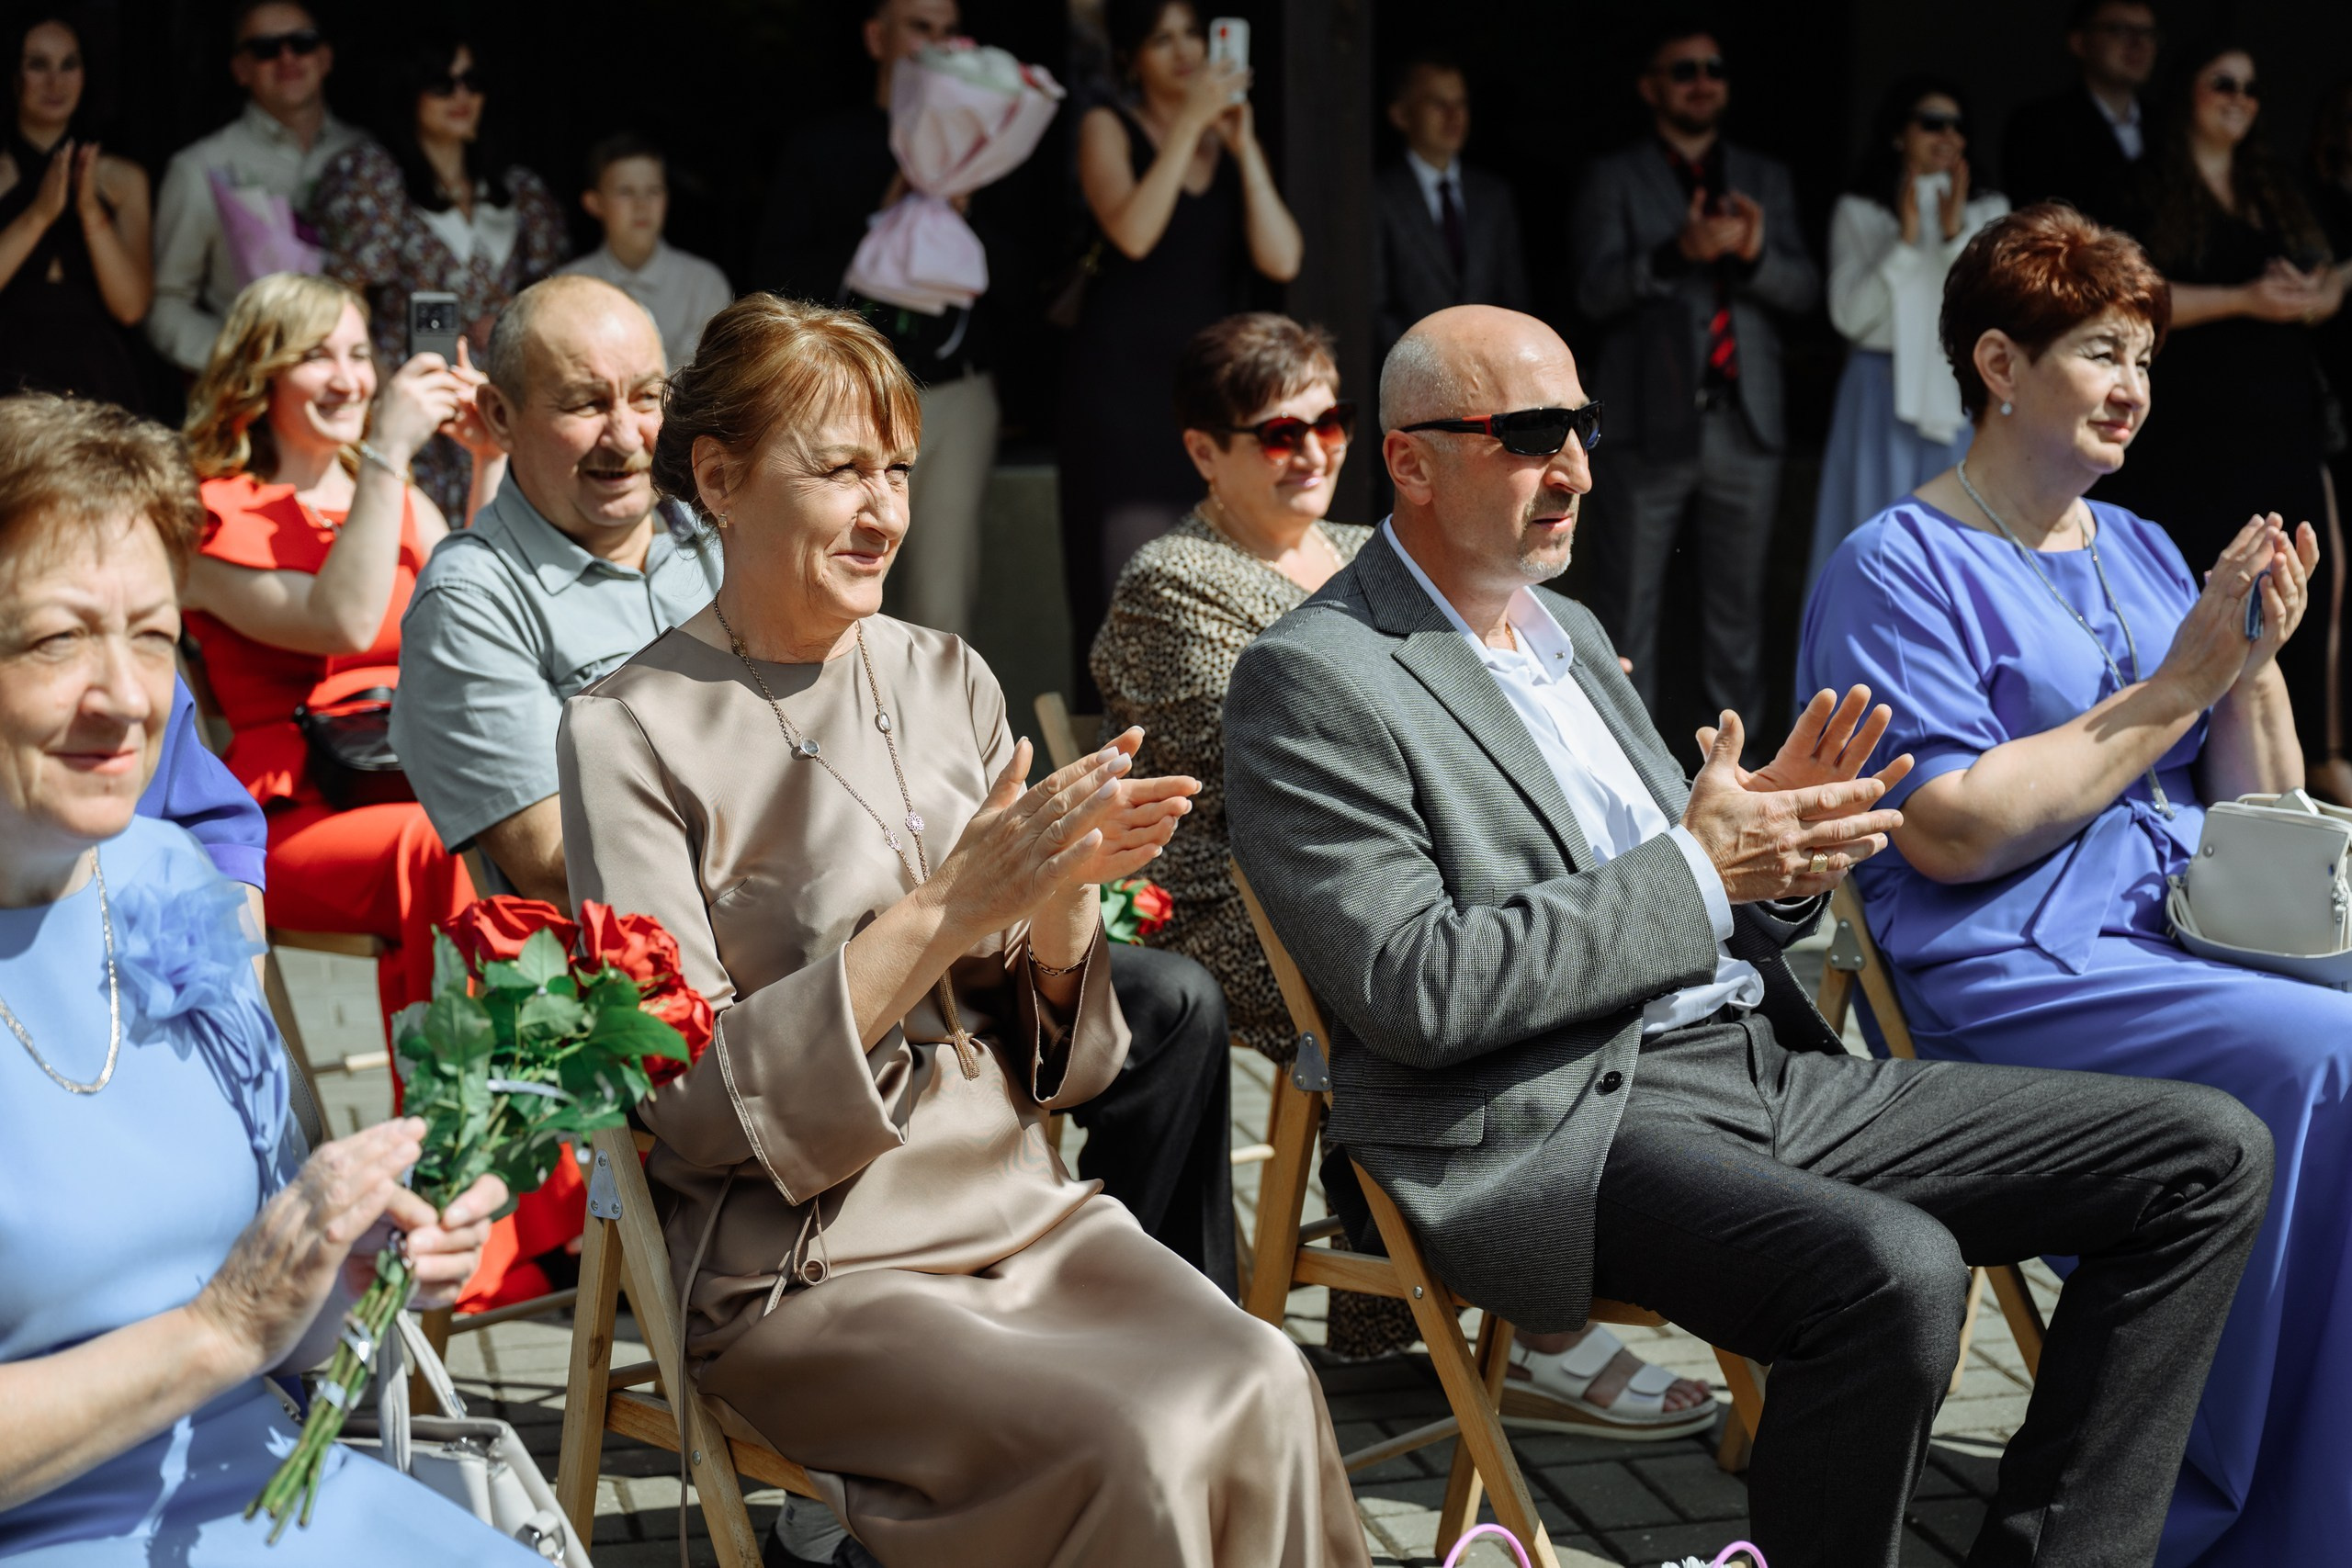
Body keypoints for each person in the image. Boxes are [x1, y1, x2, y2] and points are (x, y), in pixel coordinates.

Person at [1226, 301, 2273, 1568]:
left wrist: (1771, 855)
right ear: (1409, 458)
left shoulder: (1565, 638)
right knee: (1894, 1268)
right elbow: (1416, 984)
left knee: (2206, 1151)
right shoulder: (1319, 673)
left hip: (1753, 1066)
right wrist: (1701, 866)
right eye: (1532, 434)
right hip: (1559, 1111)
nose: (1576, 468)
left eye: (1584, 428)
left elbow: (1691, 897)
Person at [556, 294, 1364, 1567]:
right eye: (838, 471)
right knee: (1132, 1435)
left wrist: (1057, 906)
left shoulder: (949, 675)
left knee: (1265, 1370)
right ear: (718, 478)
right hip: (806, 1261)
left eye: (898, 470)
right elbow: (694, 1103)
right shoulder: (627, 729)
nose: (884, 511)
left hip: (1019, 1206)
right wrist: (944, 909)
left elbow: (1063, 1064)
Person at [1800, 203, 2352, 1567]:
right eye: (2104, 351)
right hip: (2010, 964)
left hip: (2180, 932)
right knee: (2327, 1049)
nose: (2133, 388)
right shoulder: (1897, 562)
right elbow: (1950, 832)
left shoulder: (2146, 545)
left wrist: (2256, 655)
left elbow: (2254, 812)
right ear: (1998, 363)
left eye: (2148, 361)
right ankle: (2225, 1510)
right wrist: (2178, 679)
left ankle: (2320, 1471)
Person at [1089, 310, 1715, 1424]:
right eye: (1278, 434)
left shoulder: (1364, 551)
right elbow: (1304, 745)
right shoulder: (1171, 577)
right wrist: (1501, 705)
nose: (1315, 451)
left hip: (1422, 859)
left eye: (1331, 421)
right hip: (1224, 890)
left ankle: (1465, 1298)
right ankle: (1526, 1305)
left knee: (1514, 940)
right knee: (1429, 994)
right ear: (1204, 451)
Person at [0, 392, 522, 1562]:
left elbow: (290, 1346)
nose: (127, 695)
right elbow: (227, 1326)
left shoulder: (169, 880)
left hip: (287, 1496)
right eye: (55, 638)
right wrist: (217, 1330)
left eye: (149, 634)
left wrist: (355, 1269)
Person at [175, 275, 586, 1315]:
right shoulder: (208, 514)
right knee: (440, 849)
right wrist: (394, 452)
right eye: (321, 356)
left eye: (363, 353)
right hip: (284, 825)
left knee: (527, 837)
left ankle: (529, 1199)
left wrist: (488, 464)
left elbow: (473, 607)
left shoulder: (399, 499)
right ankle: (492, 1222)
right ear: (258, 377)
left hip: (413, 793)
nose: (351, 378)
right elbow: (349, 619)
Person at [392, 274, 715, 907]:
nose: (625, 437)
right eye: (584, 404)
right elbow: (554, 860)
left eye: (647, 397)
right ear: (499, 417)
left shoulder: (724, 530)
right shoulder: (470, 601)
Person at [2095, 40, 2350, 802]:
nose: (2241, 97)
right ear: (2188, 95)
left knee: (2291, 592)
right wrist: (2245, 298)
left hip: (2282, 427)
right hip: (2188, 436)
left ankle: (2288, 785)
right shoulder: (2142, 186)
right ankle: (2187, 776)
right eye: (2223, 84)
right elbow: (2126, 291)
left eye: (2252, 87)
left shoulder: (2279, 188)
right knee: (2192, 592)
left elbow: (2332, 271)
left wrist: (2318, 293)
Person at [1568, 20, 1819, 738]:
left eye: (1714, 68)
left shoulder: (1762, 175)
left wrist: (1757, 252)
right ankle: (1622, 771)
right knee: (1628, 610)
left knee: (1738, 618)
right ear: (1651, 88)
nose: (1703, 81)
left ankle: (1731, 775)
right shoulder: (1614, 176)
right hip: (1652, 421)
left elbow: (1807, 293)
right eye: (1684, 71)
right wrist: (1676, 253)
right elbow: (1591, 294)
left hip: (1747, 419)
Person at [1060, 0, 1302, 696]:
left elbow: (1283, 257)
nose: (1184, 50)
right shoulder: (1108, 126)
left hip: (1206, 395)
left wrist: (1242, 141)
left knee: (1209, 570)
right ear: (1132, 57)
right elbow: (1133, 232)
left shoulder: (1225, 143)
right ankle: (1110, 767)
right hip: (1121, 392)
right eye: (1161, 39)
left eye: (1193, 34)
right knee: (1118, 585)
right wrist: (1190, 123)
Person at [755, 0, 1007, 643]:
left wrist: (964, 215)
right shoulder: (825, 146)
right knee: (829, 593)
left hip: (953, 393)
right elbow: (778, 283)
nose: (940, 45)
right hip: (843, 402)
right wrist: (886, 215)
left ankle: (938, 746)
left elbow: (1021, 284)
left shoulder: (990, 146)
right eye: (921, 27)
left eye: (951, 31)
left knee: (942, 608)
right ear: (876, 36)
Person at [312, 31, 566, 519]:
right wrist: (390, 401)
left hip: (503, 402)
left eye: (472, 82)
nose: (461, 96)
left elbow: (555, 299)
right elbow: (344, 299)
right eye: (441, 83)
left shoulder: (517, 190)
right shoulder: (371, 177)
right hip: (410, 400)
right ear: (409, 91)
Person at [1807, 76, 2007, 589]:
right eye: (1931, 123)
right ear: (1900, 134)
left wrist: (1950, 234)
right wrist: (1905, 239)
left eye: (1957, 125)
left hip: (1959, 389)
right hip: (1878, 388)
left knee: (1961, 537)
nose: (1947, 135)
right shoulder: (1860, 209)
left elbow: (1991, 308)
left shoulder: (1990, 210)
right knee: (1868, 531)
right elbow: (1851, 317)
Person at [147, 0, 367, 377]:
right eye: (265, 49)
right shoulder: (199, 167)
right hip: (252, 400)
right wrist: (242, 364)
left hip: (359, 386)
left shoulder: (369, 156)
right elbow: (167, 303)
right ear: (240, 69)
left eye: (303, 42)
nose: (287, 57)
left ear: (326, 57)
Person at [0, 14, 149, 409]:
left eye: (69, 64)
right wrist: (39, 216)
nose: (56, 81)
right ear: (13, 74)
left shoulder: (122, 179)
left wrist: (87, 211)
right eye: (38, 64)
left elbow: (131, 307)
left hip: (97, 379)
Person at [1372, 56, 1529, 368]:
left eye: (1461, 103)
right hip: (1410, 378)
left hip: (1490, 377)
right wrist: (1426, 369)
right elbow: (1373, 306)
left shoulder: (1493, 195)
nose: (1454, 116)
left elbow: (1514, 299)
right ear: (1401, 114)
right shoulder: (1378, 195)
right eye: (1438, 104)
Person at [555, 133, 730, 373]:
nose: (642, 205)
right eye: (626, 192)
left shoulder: (704, 284)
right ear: (594, 203)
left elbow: (709, 378)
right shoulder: (566, 287)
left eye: (654, 191)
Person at [2002, 0, 2160, 227]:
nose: (2138, 43)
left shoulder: (2169, 123)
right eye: (2120, 30)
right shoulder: (2038, 124)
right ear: (2079, 42)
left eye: (2148, 33)